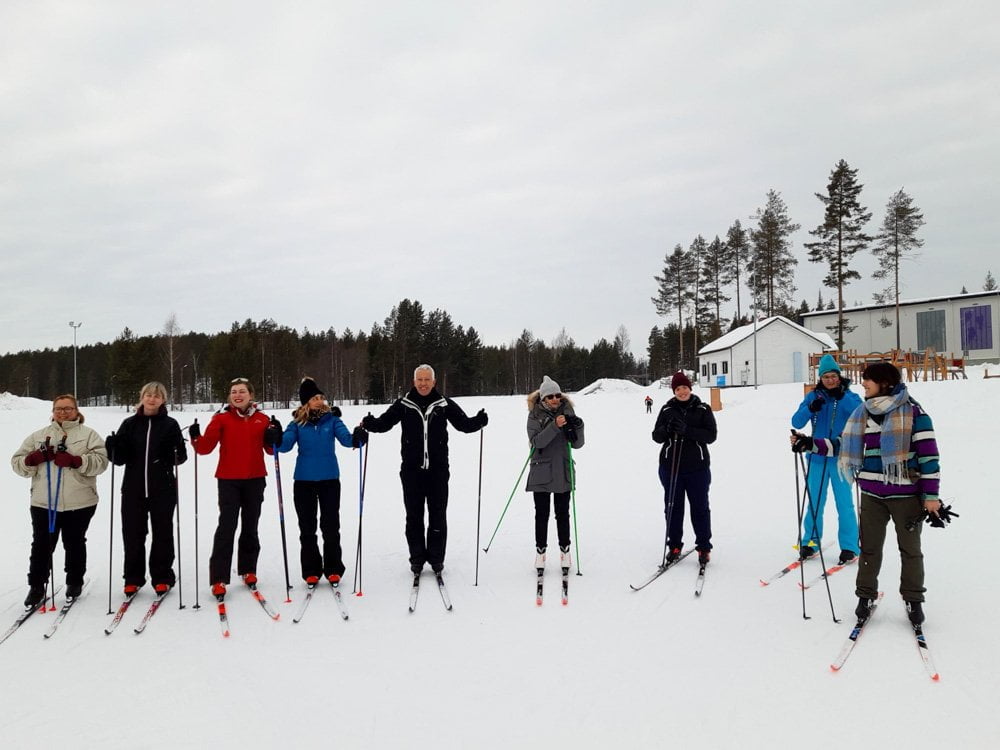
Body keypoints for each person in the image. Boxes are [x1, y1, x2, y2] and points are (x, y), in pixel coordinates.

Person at [792, 362, 941, 625]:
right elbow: (843, 444)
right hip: (872, 494)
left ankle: (913, 599)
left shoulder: (915, 413)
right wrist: (810, 443)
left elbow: (929, 457)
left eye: (868, 379)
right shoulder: (864, 413)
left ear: (885, 383)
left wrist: (930, 496)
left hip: (905, 495)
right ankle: (865, 596)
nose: (863, 384)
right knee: (870, 549)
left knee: (910, 550)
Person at [362, 364, 488, 576]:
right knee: (414, 517)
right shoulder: (404, 404)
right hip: (411, 472)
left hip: (438, 471)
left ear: (434, 382)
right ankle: (417, 559)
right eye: (419, 380)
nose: (423, 383)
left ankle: (436, 559)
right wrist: (370, 423)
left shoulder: (443, 404)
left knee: (438, 516)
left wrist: (479, 421)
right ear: (414, 382)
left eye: (427, 380)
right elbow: (385, 423)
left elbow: (463, 424)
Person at [11, 394, 108, 606]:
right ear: (53, 411)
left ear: (76, 411)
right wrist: (32, 459)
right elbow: (17, 463)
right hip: (43, 503)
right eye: (58, 409)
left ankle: (74, 581)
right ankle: (36, 586)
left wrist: (76, 461)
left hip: (80, 501)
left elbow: (101, 462)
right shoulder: (39, 436)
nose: (62, 412)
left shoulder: (89, 435)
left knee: (74, 543)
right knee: (42, 545)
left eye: (67, 408)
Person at [190, 378, 279, 598]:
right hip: (228, 480)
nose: (237, 395)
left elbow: (271, 450)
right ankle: (219, 578)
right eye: (234, 392)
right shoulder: (221, 418)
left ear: (251, 395)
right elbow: (204, 448)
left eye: (242, 391)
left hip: (255, 479)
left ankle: (248, 569)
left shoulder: (262, 419)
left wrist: (275, 435)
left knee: (250, 526)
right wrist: (195, 436)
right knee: (226, 527)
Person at [278, 377, 367, 586]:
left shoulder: (332, 420)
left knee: (331, 526)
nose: (319, 401)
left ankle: (333, 568)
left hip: (329, 480)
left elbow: (346, 439)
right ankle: (311, 570)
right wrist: (275, 436)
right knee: (307, 528)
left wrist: (358, 437)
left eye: (321, 397)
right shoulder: (297, 423)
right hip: (303, 481)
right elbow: (284, 446)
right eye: (314, 398)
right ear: (306, 403)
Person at [105, 382, 188, 596]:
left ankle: (162, 577)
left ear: (163, 400)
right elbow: (120, 459)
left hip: (163, 488)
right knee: (133, 534)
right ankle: (133, 578)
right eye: (148, 395)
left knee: (163, 533)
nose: (152, 399)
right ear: (142, 397)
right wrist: (112, 447)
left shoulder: (170, 424)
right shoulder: (129, 424)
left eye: (157, 396)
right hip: (133, 489)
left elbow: (179, 458)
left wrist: (177, 450)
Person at [790, 354, 863, 564]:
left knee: (844, 505)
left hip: (841, 460)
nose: (830, 380)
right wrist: (810, 408)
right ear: (820, 378)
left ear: (839, 377)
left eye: (833, 376)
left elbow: (861, 416)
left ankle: (850, 546)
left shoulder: (850, 397)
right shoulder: (813, 397)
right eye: (826, 377)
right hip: (816, 458)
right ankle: (810, 542)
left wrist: (842, 397)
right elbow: (796, 421)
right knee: (815, 503)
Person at [652, 372, 717, 566]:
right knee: (673, 507)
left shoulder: (702, 408)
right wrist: (667, 429)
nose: (682, 392)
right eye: (678, 389)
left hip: (697, 468)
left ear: (690, 388)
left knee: (700, 508)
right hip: (671, 468)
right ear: (674, 391)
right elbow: (656, 436)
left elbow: (711, 436)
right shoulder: (667, 410)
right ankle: (674, 545)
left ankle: (704, 547)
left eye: (685, 388)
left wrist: (687, 430)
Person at [526, 376, 584, 571]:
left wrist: (578, 426)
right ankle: (540, 553)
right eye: (550, 396)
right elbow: (537, 442)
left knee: (563, 514)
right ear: (543, 398)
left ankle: (565, 552)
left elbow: (577, 444)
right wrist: (554, 426)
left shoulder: (568, 411)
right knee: (542, 514)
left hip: (562, 469)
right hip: (541, 469)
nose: (555, 399)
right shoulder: (534, 415)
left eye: (557, 395)